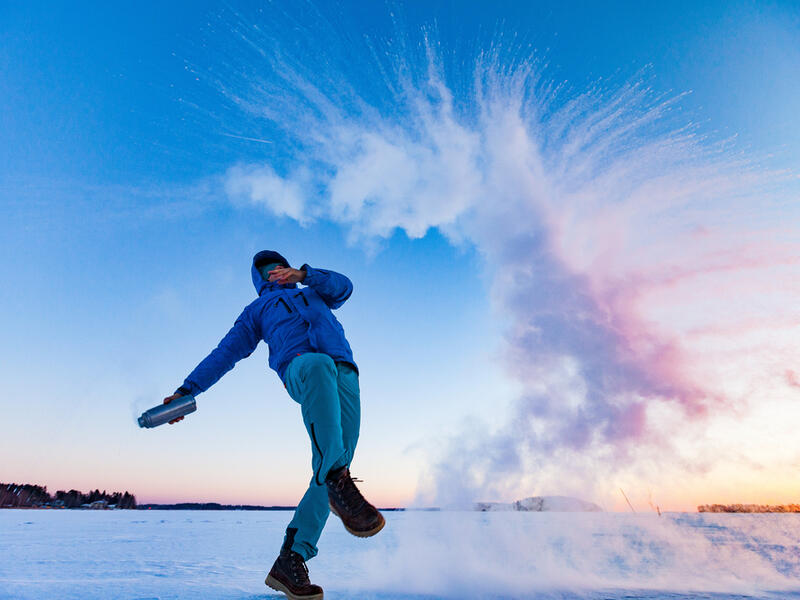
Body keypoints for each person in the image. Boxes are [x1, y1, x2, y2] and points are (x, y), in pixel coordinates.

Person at [163, 250, 384, 600]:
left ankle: (291, 558)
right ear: (259, 279)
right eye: (267, 270)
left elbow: (344, 288)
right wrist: (187, 390)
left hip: (345, 374)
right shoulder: (257, 311)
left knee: (333, 464)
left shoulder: (313, 291)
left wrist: (305, 275)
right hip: (302, 367)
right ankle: (336, 481)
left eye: (279, 267)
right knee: (319, 376)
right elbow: (224, 353)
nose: (275, 272)